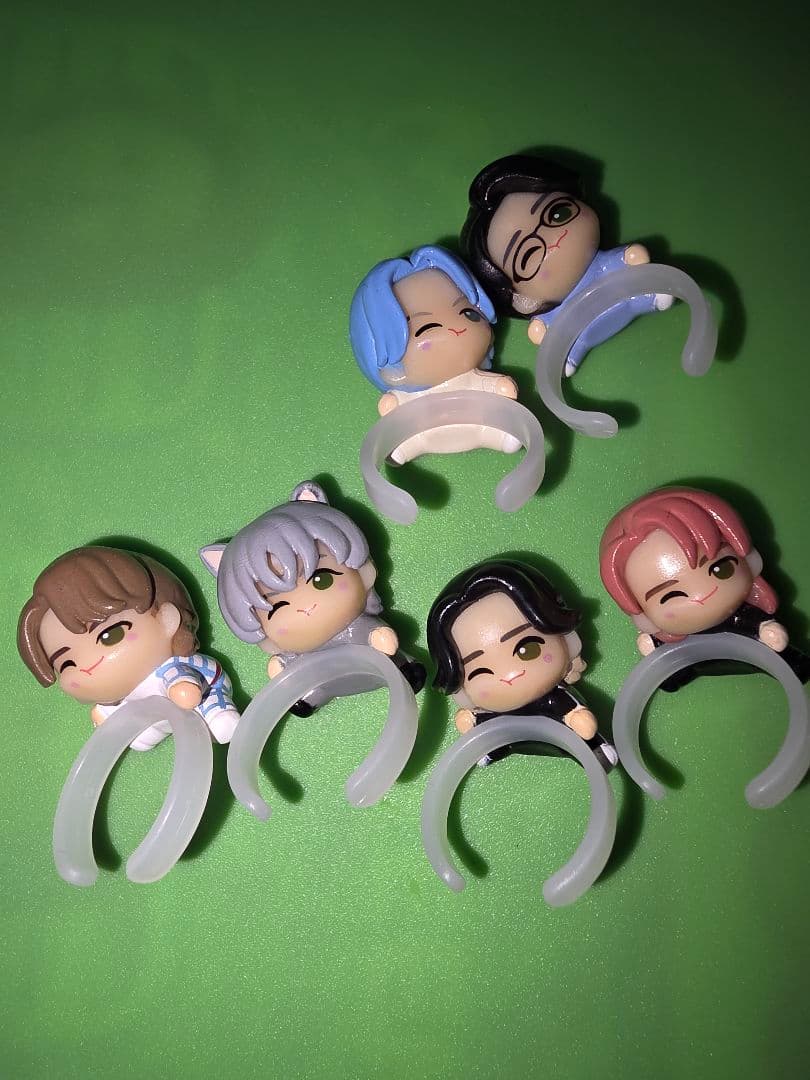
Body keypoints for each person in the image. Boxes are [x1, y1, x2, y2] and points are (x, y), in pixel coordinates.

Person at [200, 482, 425, 714]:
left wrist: (377, 635)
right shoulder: (297, 652)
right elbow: (288, 667)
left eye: (322, 580)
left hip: (374, 658)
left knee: (390, 659)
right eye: (278, 607)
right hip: (320, 679)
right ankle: (312, 697)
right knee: (310, 687)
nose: (305, 607)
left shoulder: (358, 623)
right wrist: (282, 665)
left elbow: (374, 633)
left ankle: (403, 668)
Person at [461, 154, 671, 375]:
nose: (554, 240)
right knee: (575, 341)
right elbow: (543, 331)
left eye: (558, 214)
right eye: (529, 255)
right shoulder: (557, 315)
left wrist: (630, 257)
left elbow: (627, 259)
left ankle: (649, 298)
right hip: (578, 333)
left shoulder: (603, 265)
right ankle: (571, 356)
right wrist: (543, 329)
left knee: (638, 294)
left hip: (624, 295)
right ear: (522, 301)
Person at [18, 546, 239, 749]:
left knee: (220, 724)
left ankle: (218, 713)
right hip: (154, 713)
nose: (87, 666)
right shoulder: (128, 694)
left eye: (110, 636)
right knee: (139, 739)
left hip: (205, 691)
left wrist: (183, 690)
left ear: (167, 619)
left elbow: (186, 690)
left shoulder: (172, 670)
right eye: (67, 664)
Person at [599, 486, 810, 690]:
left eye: (721, 569)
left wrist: (764, 629)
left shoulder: (743, 614)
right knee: (670, 673)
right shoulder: (674, 639)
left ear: (749, 560)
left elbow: (757, 624)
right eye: (671, 595)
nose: (702, 596)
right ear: (643, 617)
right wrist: (656, 645)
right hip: (689, 656)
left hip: (747, 641)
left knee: (785, 659)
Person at [426, 558, 616, 768]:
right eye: (480, 672)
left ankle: (593, 748)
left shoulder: (555, 698)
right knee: (493, 730)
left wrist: (575, 717)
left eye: (528, 649)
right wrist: (472, 721)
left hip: (556, 724)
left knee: (577, 734)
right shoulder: (494, 711)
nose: (509, 676)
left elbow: (571, 709)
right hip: (505, 728)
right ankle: (493, 749)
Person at [349, 244, 521, 462]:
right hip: (424, 432)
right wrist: (393, 405)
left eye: (468, 313)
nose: (455, 329)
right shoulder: (410, 393)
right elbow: (392, 406)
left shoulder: (472, 377)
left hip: (479, 423)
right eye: (426, 328)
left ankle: (497, 436)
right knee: (414, 438)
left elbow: (497, 387)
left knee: (494, 429)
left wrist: (501, 387)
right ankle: (407, 448)